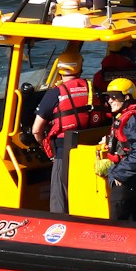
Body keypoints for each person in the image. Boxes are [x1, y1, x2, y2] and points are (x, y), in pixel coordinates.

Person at [30, 51, 97, 214]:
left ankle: (58, 225)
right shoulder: (91, 88)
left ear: (60, 70)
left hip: (63, 151)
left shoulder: (55, 93)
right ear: (79, 68)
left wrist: (44, 146)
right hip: (89, 149)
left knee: (59, 196)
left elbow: (36, 129)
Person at [94, 77, 136, 222]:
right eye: (108, 97)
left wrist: (119, 174)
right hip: (127, 177)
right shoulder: (125, 118)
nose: (110, 101)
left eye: (114, 97)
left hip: (127, 181)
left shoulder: (133, 120)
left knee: (119, 222)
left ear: (127, 97)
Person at [94, 38, 136, 114]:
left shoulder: (98, 76)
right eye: (134, 47)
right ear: (126, 50)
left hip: (107, 122)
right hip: (135, 116)